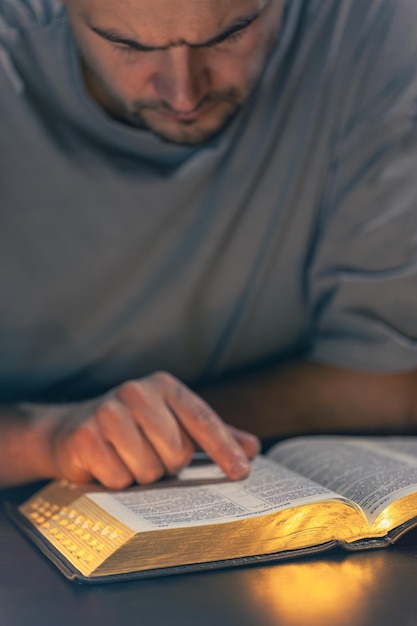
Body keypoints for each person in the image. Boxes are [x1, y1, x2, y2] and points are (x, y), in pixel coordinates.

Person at [1, 0, 417, 489]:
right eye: (128, 45)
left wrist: (156, 431)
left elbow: (391, 383)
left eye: (229, 35)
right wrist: (45, 439)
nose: (183, 94)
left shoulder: (371, 25)